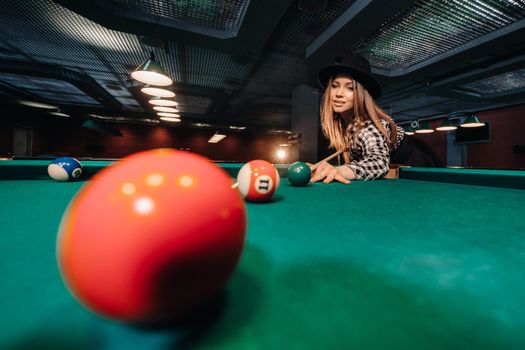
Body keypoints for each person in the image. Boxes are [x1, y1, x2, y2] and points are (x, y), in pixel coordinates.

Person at [310, 52, 441, 184]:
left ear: (362, 95)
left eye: (350, 88)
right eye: (335, 85)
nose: (339, 93)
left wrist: (338, 170)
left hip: (418, 162)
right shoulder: (343, 123)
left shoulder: (368, 126)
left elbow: (378, 163)